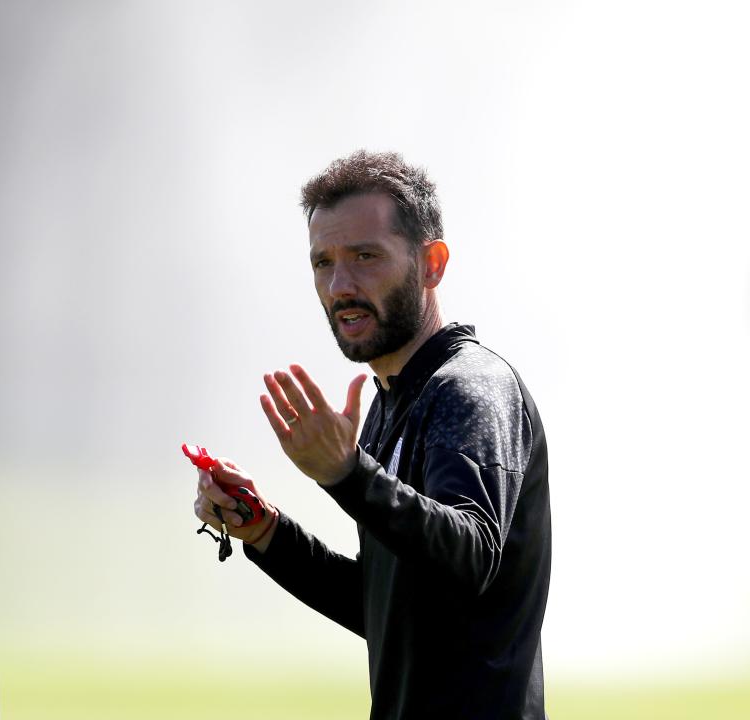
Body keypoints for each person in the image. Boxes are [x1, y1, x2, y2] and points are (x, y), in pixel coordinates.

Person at [193, 150, 551, 719]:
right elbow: (388, 607)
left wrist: (347, 474)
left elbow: (471, 556)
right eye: (322, 262)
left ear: (432, 264)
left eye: (365, 257)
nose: (340, 285)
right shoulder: (394, 400)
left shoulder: (469, 389)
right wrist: (264, 530)